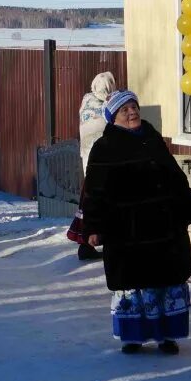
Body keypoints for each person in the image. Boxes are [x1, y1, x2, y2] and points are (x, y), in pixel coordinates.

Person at [81, 90, 191, 355]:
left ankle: (167, 336)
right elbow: (93, 190)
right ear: (113, 117)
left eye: (134, 107)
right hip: (127, 230)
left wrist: (190, 205)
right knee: (132, 283)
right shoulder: (104, 147)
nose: (132, 112)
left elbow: (174, 176)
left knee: (165, 280)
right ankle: (133, 337)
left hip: (163, 227)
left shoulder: (152, 138)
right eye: (124, 109)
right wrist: (92, 227)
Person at [67, 71, 116, 260]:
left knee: (89, 203)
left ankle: (86, 244)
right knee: (98, 204)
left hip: (88, 161)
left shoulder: (86, 101)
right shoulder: (104, 107)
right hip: (101, 164)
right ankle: (90, 244)